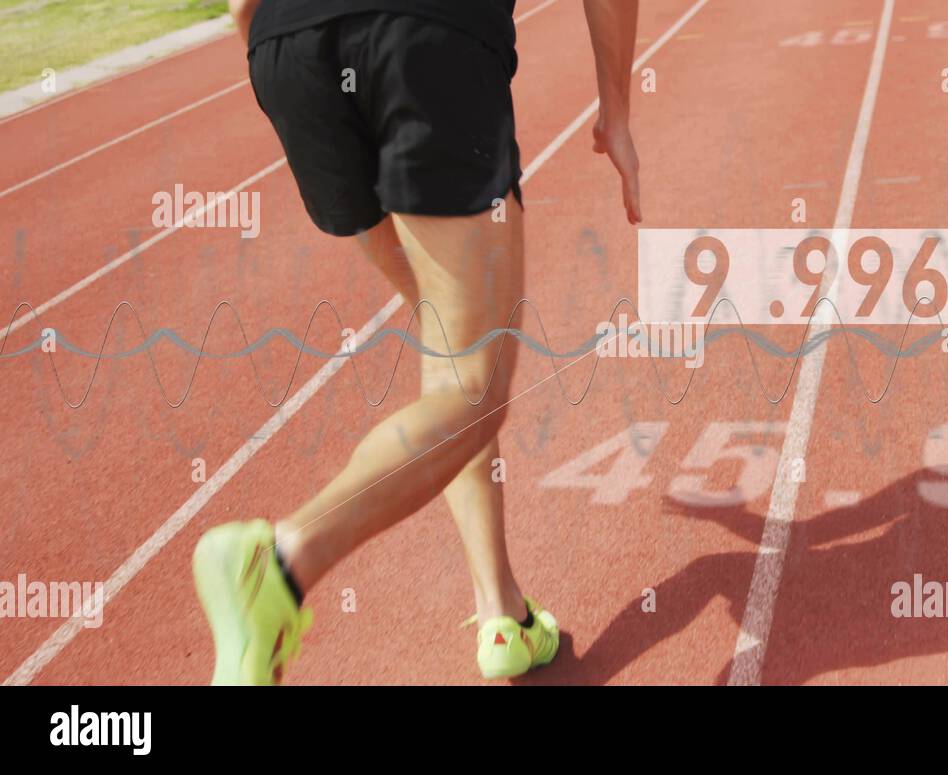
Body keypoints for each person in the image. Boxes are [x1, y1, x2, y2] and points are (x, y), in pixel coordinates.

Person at [192, 0, 642, 684]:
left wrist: (270, 51)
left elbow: (238, 6)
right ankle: (280, 560)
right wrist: (617, 108)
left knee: (450, 345)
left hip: (291, 51)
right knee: (475, 384)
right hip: (421, 33)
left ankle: (502, 611)